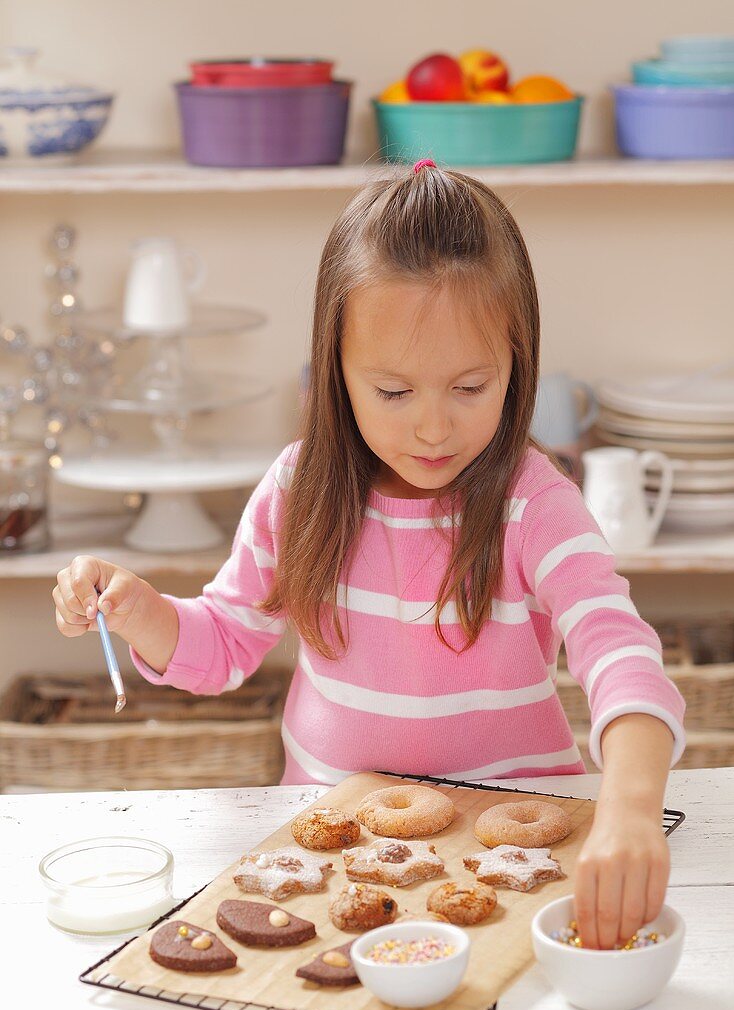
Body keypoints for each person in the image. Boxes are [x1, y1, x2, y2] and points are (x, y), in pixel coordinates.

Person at [53, 160, 686, 951]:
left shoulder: (533, 503)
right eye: (393, 392)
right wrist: (142, 610)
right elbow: (222, 644)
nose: (432, 429)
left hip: (520, 850)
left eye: (470, 387)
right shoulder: (298, 489)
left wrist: (629, 811)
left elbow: (620, 651)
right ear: (335, 371)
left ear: (519, 365)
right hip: (335, 852)